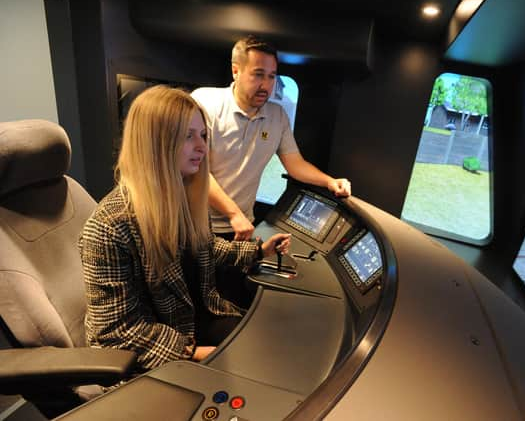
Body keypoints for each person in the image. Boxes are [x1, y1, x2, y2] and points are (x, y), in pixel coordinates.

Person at [79, 85, 290, 371]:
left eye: (203, 135)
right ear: (155, 142)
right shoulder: (108, 227)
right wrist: (194, 353)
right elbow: (117, 332)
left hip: (195, 320)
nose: (202, 147)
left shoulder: (182, 197)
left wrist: (258, 251)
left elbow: (203, 247)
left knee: (270, 346)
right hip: (156, 349)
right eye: (188, 136)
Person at [192, 35, 352, 242]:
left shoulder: (277, 116)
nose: (266, 85)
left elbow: (295, 164)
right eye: (258, 74)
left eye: (271, 76)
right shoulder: (204, 103)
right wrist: (233, 214)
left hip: (242, 225)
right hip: (196, 223)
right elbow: (197, 169)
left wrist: (330, 182)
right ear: (235, 71)